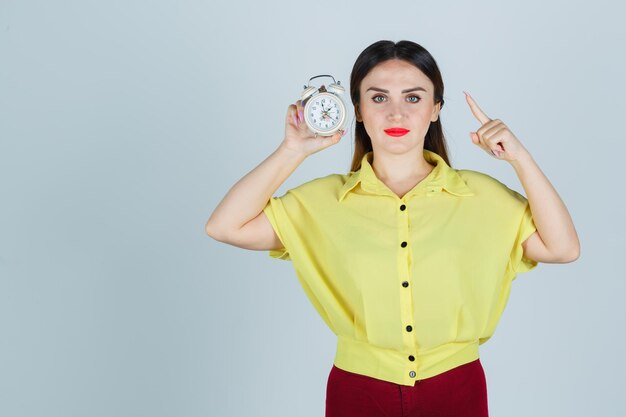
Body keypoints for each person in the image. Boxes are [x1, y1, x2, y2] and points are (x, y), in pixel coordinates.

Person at [205, 40, 580, 417]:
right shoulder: (321, 203)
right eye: (379, 98)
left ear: (436, 109)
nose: (396, 114)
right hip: (358, 389)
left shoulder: (483, 196)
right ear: (358, 111)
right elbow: (224, 226)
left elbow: (563, 248)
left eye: (414, 98)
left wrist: (521, 159)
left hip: (457, 386)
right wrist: (293, 151)